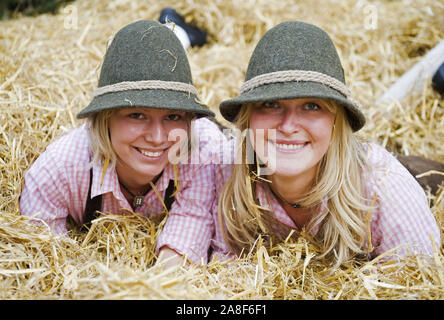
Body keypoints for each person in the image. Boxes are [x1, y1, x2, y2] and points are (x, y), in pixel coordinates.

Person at [208, 21, 441, 267]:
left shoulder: (385, 192)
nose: (288, 126)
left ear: (336, 121)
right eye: (270, 104)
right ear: (248, 119)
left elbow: (416, 283)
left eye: (311, 106)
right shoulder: (229, 172)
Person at [19, 20, 223, 266]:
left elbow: (182, 253)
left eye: (173, 116)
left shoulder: (205, 153)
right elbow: (45, 264)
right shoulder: (58, 170)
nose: (157, 138)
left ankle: (180, 30)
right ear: (105, 117)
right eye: (136, 115)